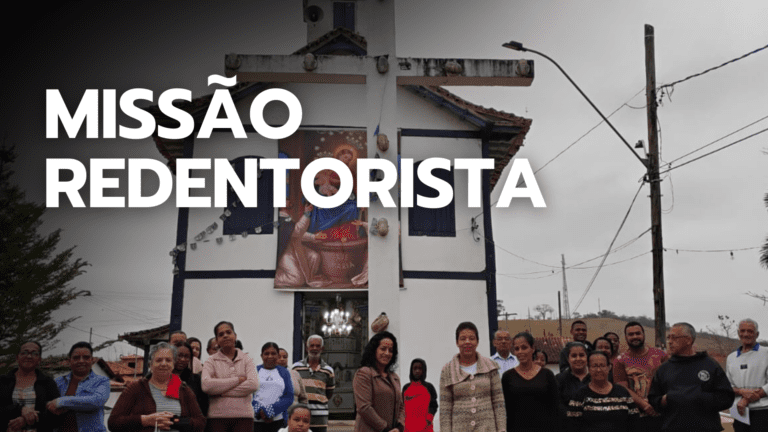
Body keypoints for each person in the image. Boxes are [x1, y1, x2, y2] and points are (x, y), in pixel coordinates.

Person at [648, 322, 735, 432]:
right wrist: (665, 399)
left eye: (674, 338)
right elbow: (653, 398)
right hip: (673, 427)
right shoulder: (664, 369)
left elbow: (727, 398)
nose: (670, 342)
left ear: (688, 340)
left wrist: (698, 397)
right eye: (669, 337)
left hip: (706, 428)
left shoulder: (709, 365)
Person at [108, 342, 205, 432]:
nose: (164, 363)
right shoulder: (136, 388)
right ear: (150, 364)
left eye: (168, 360)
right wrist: (145, 420)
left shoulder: (183, 389)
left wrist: (175, 421)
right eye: (159, 360)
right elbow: (113, 422)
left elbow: (201, 422)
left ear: (173, 364)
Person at [439, 321, 506, 432]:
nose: (467, 342)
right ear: (457, 342)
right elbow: (445, 409)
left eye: (471, 338)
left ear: (477, 341)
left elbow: (498, 402)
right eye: (463, 338)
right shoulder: (447, 371)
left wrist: (502, 429)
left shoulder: (490, 367)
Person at [202, 321, 260, 432]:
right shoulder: (210, 361)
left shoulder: (247, 359)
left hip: (244, 417)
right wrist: (237, 380)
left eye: (228, 332)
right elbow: (206, 386)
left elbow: (253, 384)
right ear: (217, 340)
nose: (225, 336)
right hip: (217, 418)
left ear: (235, 336)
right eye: (221, 334)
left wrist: (220, 391)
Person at [613, 321, 667, 430]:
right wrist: (644, 405)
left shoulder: (660, 355)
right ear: (626, 337)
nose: (635, 337)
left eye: (638, 333)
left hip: (661, 412)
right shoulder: (620, 361)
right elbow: (622, 387)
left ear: (643, 334)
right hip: (635, 416)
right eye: (631, 334)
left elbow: (669, 382)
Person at [566, 351, 638, 432]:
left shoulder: (622, 392)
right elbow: (572, 426)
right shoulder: (579, 395)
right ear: (588, 368)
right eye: (594, 366)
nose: (598, 370)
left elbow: (634, 422)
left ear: (609, 367)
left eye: (602, 366)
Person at [501, 332, 559, 432]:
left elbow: (555, 407)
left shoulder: (547, 375)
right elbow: (505, 408)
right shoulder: (508, 377)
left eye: (524, 347)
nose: (520, 352)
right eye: (517, 349)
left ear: (533, 348)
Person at [48, 342, 110, 432]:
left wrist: (61, 401)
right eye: (76, 358)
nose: (81, 361)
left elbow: (97, 401)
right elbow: (48, 404)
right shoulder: (58, 382)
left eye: (86, 357)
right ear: (69, 361)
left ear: (92, 360)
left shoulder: (102, 381)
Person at [1, 341, 60, 432]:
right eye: (24, 352)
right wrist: (20, 410)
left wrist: (26, 421)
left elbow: (56, 414)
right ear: (17, 357)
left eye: (34, 353)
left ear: (39, 359)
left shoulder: (47, 383)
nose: (29, 356)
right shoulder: (3, 381)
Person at [352, 331, 404, 432]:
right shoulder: (364, 373)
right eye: (383, 349)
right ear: (374, 350)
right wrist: (385, 428)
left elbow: (401, 406)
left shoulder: (395, 377)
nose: (387, 353)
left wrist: (399, 427)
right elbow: (364, 408)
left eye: (390, 350)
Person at [726, 318, 768, 431]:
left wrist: (747, 400)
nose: (746, 334)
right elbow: (728, 385)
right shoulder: (731, 358)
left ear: (757, 334)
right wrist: (741, 391)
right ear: (738, 333)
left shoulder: (766, 353)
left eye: (750, 331)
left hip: (762, 411)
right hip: (739, 411)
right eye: (742, 331)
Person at [292, 335, 334, 432]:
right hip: (300, 416)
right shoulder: (296, 368)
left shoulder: (328, 370)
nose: (314, 348)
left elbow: (329, 393)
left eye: (318, 346)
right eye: (312, 345)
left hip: (320, 417)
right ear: (307, 348)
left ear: (322, 349)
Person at [253, 343, 294, 432]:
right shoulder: (254, 371)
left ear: (278, 355)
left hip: (278, 420)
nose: (270, 356)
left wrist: (270, 411)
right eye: (266, 353)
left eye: (273, 353)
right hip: (256, 420)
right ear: (261, 356)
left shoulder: (284, 372)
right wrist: (260, 411)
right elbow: (248, 394)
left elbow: (289, 397)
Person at [402, 358, 437, 432]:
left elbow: (434, 405)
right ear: (411, 370)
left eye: (420, 368)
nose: (417, 371)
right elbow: (401, 407)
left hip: (425, 429)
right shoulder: (406, 388)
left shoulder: (429, 387)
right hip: (408, 429)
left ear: (423, 370)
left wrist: (429, 419)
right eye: (415, 368)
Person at [173, 343, 208, 417]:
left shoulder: (197, 380)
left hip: (189, 421)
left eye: (186, 357)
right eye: (179, 355)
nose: (183, 359)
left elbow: (203, 406)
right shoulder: (162, 377)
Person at [556, 343, 590, 416]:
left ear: (587, 358)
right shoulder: (559, 379)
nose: (578, 359)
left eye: (581, 355)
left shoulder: (595, 377)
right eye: (574, 356)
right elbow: (558, 405)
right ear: (568, 359)